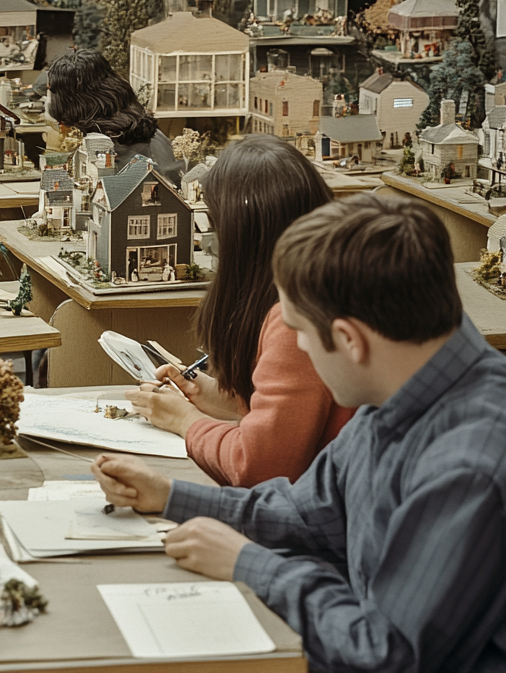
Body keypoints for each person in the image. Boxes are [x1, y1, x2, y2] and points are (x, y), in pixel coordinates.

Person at [93, 196, 506, 673]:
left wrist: (252, 564)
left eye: (299, 332)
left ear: (350, 341)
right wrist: (168, 496)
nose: (298, 348)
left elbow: (386, 655)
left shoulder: (469, 465)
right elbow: (309, 514)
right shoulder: (398, 392)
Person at [124, 136, 354, 486]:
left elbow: (258, 466)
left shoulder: (296, 318)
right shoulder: (321, 287)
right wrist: (199, 392)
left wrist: (185, 421)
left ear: (244, 233)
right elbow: (283, 414)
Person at [45, 49, 182, 186]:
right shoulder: (145, 130)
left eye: (52, 92)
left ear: (73, 100)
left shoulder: (107, 148)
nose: (49, 99)